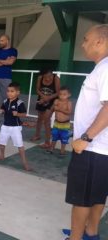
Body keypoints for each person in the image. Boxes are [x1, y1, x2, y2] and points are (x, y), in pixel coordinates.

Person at [62, 25, 108, 240]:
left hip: (92, 147)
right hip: (100, 149)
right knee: (97, 195)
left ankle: (76, 237)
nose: (82, 43)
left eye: (86, 39)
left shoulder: (106, 68)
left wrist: (85, 138)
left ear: (100, 41)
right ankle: (91, 233)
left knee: (81, 199)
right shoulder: (102, 68)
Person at [0, 82, 30, 171]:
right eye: (8, 91)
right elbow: (2, 108)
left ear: (17, 93)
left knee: (20, 145)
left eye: (12, 91)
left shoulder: (20, 103)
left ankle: (25, 163)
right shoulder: (5, 101)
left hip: (15, 127)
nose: (9, 93)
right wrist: (1, 110)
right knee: (1, 142)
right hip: (5, 125)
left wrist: (18, 114)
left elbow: (25, 114)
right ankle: (2, 155)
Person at [0, 34, 18, 121]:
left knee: (8, 97)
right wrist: (5, 61)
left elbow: (10, 62)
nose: (0, 42)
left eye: (2, 41)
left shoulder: (13, 51)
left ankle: (7, 114)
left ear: (7, 41)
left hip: (6, 77)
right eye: (0, 41)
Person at [31, 68, 60, 148]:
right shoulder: (40, 78)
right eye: (46, 76)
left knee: (46, 120)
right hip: (41, 99)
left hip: (52, 100)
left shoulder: (56, 78)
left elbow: (58, 93)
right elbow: (37, 89)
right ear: (43, 75)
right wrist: (43, 97)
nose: (48, 78)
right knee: (40, 118)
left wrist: (48, 98)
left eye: (50, 76)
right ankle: (37, 135)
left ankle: (47, 142)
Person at [47, 87, 72, 156]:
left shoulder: (68, 103)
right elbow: (52, 109)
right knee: (54, 136)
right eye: (60, 94)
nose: (62, 96)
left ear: (69, 95)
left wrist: (59, 109)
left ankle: (62, 151)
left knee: (64, 138)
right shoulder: (56, 101)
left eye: (64, 94)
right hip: (56, 123)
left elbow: (69, 112)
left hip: (65, 124)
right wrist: (49, 116)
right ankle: (51, 148)